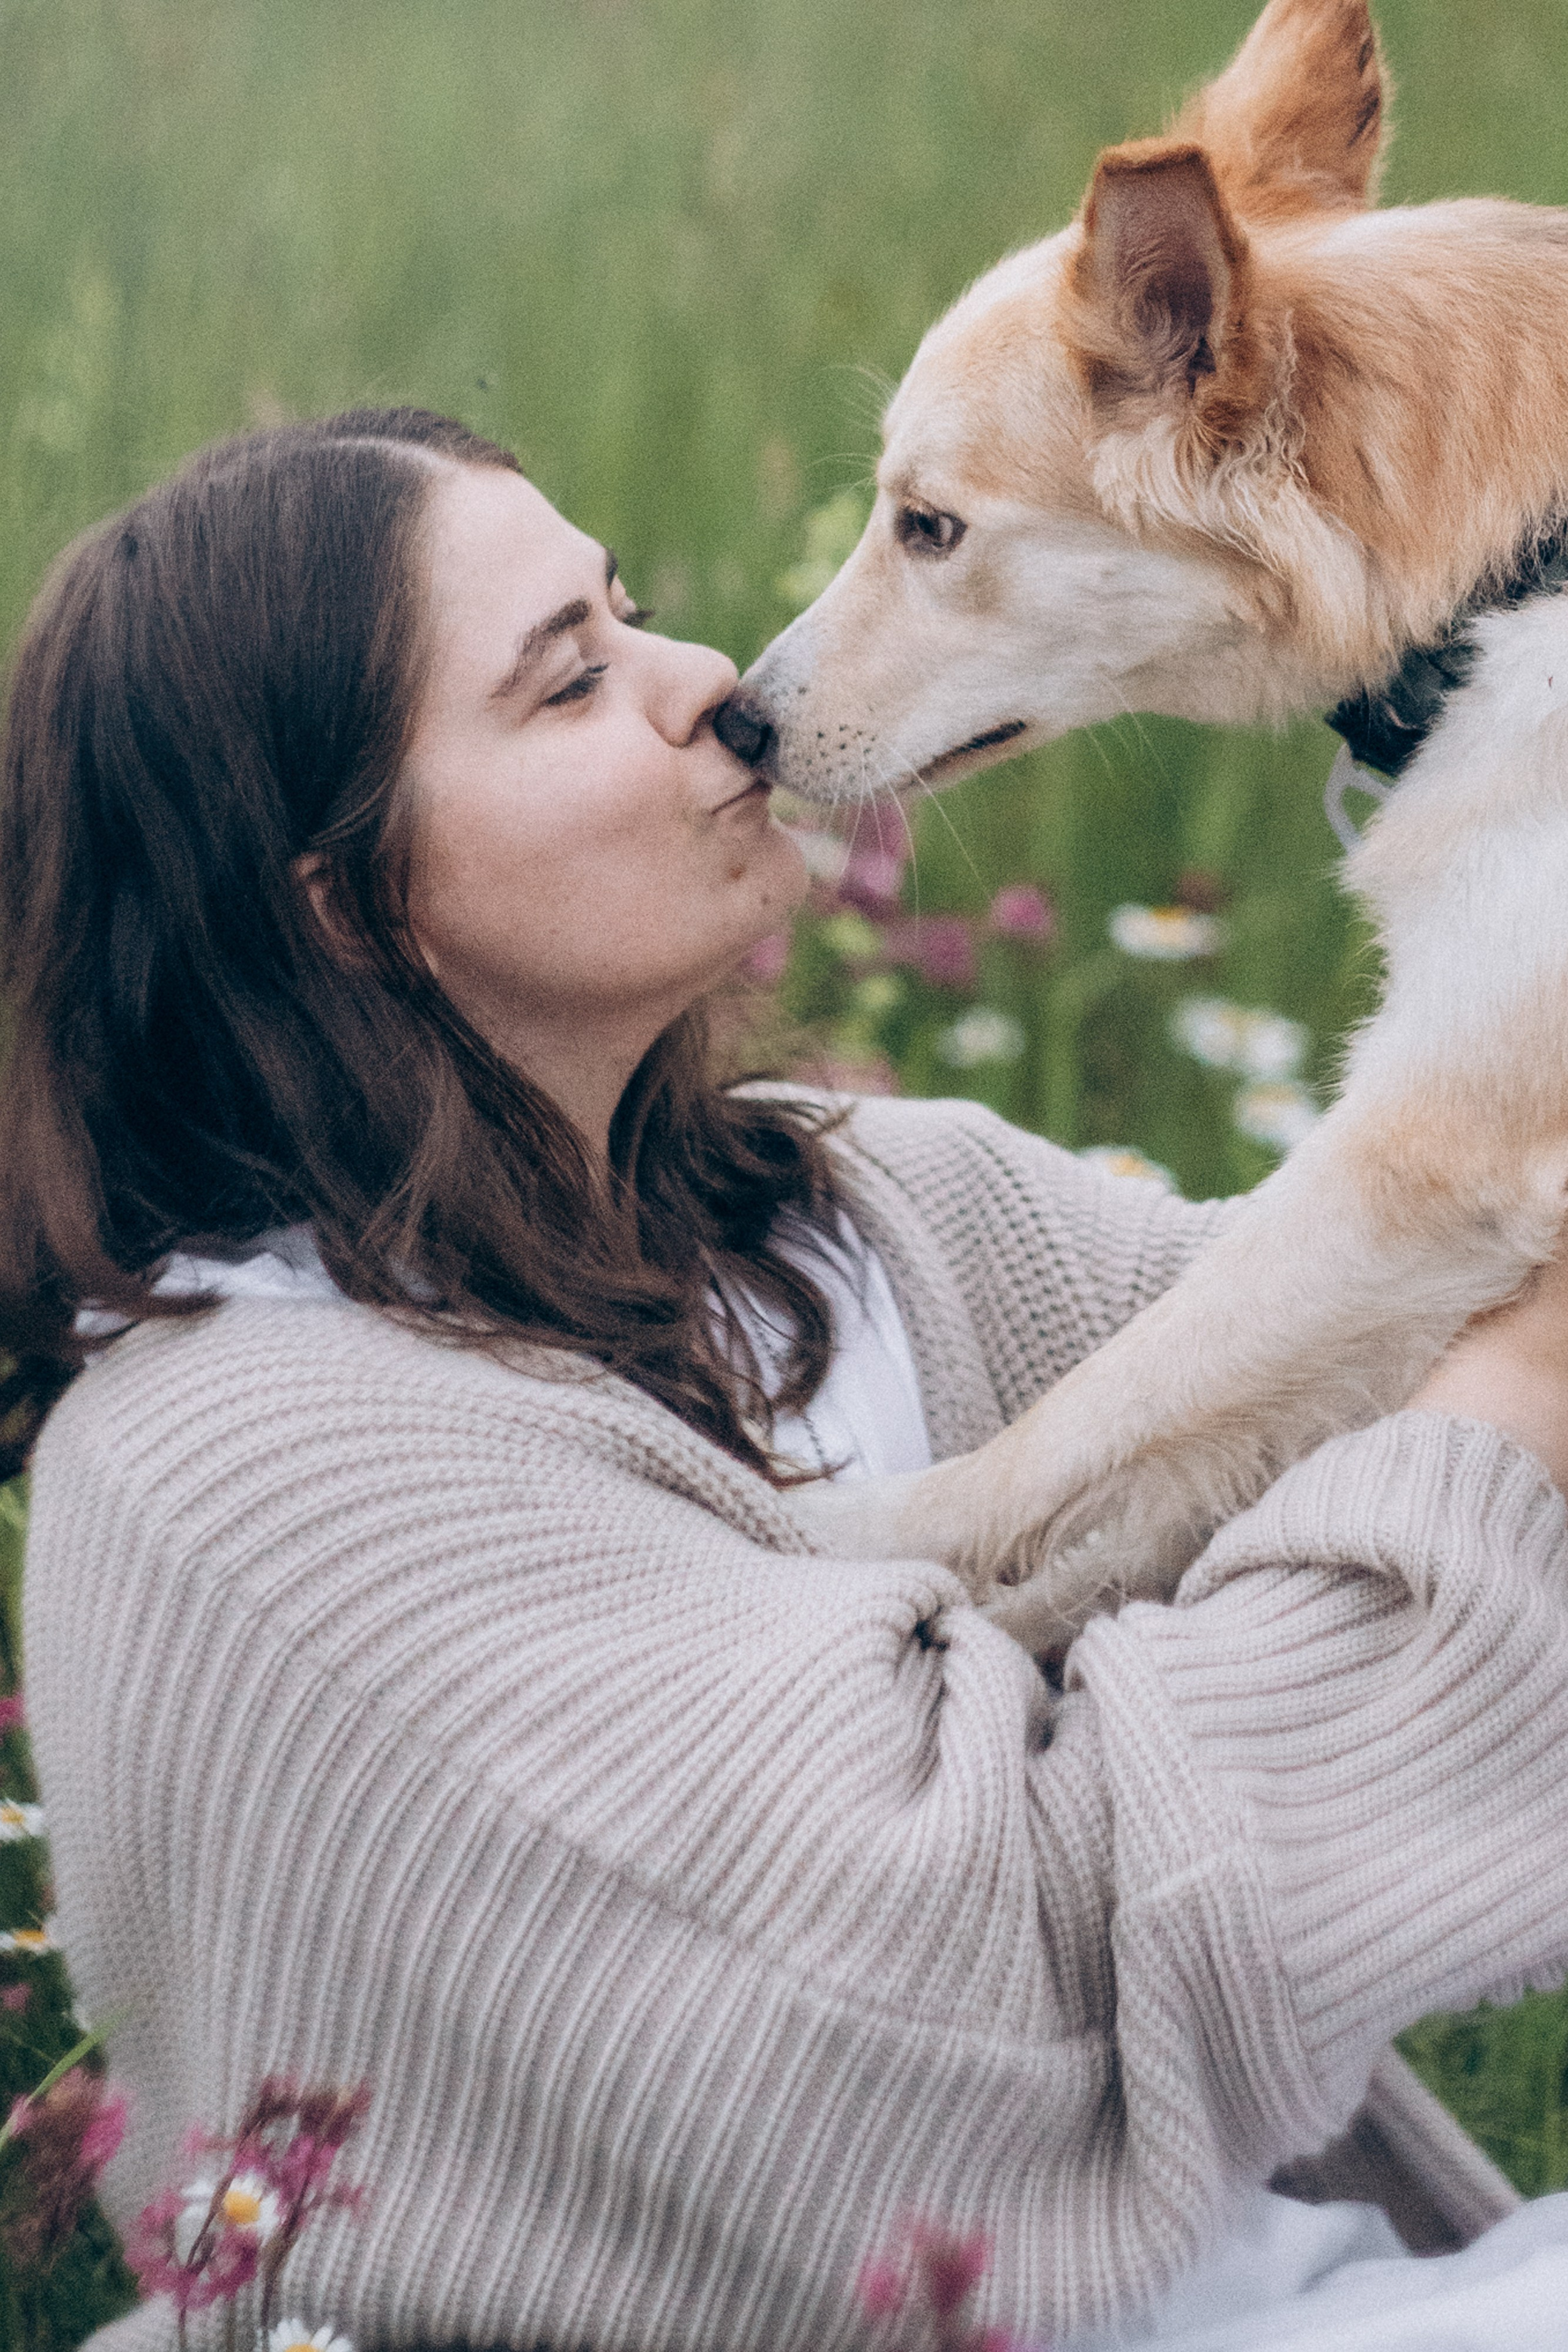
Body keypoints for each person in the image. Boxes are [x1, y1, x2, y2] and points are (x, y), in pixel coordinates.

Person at [6, 407, 1568, 2352]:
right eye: (572, 680)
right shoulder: (250, 1470)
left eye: (631, 609)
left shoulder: (846, 1220)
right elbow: (977, 1977)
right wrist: (1524, 1384)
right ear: (351, 904)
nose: (713, 690)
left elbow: (1399, 1318)